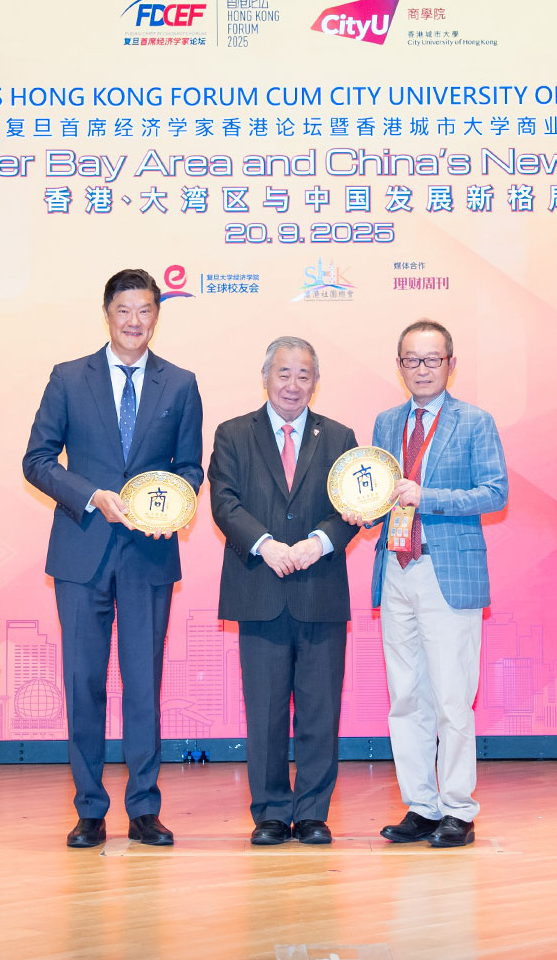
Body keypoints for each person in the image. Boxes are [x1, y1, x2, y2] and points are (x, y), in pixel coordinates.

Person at [22, 268, 203, 849]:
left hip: (148, 555)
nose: (135, 322)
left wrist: (166, 505)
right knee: (83, 683)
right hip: (82, 550)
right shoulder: (69, 377)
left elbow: (191, 469)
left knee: (144, 685)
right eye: (124, 310)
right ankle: (90, 810)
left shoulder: (180, 384)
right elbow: (38, 459)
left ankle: (144, 809)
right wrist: (88, 495)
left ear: (157, 316)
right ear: (108, 313)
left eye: (146, 311)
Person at [346, 320, 508, 848]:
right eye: (411, 360)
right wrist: (359, 509)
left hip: (447, 572)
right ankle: (421, 804)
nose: (421, 369)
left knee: (452, 699)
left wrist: (427, 496)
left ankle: (458, 808)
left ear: (451, 364)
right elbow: (377, 492)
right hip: (395, 569)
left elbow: (494, 493)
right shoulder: (386, 422)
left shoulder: (475, 422)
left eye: (431, 360)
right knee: (405, 696)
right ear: (399, 366)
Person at [208, 337, 359, 845]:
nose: (293, 385)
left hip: (320, 589)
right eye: (284, 374)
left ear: (316, 381)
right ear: (265, 376)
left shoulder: (340, 437)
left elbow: (350, 508)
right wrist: (266, 545)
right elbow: (224, 504)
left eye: (304, 375)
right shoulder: (232, 434)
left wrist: (318, 543)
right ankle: (271, 812)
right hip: (259, 588)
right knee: (266, 710)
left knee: (320, 709)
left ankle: (314, 811)